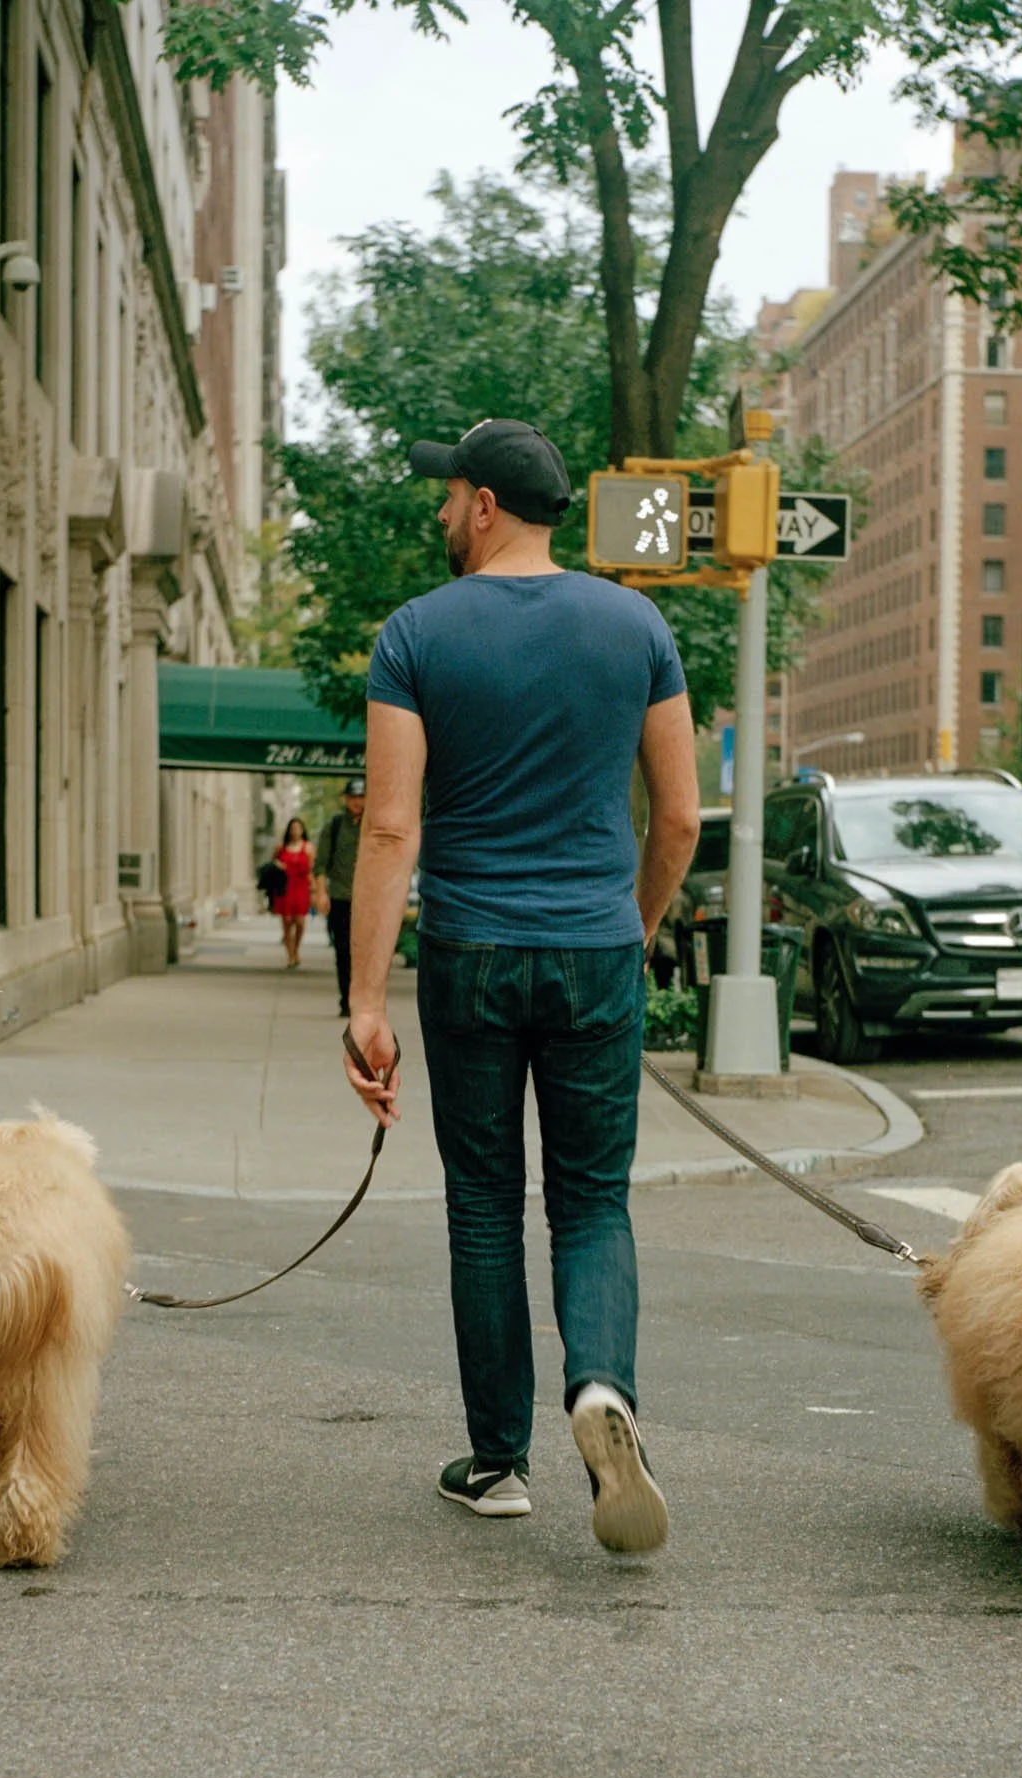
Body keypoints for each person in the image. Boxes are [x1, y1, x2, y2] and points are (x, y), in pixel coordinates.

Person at [339, 418, 700, 1554]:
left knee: (486, 1205)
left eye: (449, 497)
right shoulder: (636, 624)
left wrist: (363, 1002)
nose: (441, 515)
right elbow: (680, 816)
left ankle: (496, 1461)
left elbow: (392, 826)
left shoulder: (414, 635)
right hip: (594, 949)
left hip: (472, 952)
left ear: (485, 503)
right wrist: (630, 927)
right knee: (592, 1199)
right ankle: (602, 1390)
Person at [314, 778, 366, 1017]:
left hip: (369, 900)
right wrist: (321, 893)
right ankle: (346, 1000)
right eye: (354, 797)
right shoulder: (335, 826)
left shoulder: (375, 825)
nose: (358, 802)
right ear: (346, 799)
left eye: (362, 797)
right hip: (341, 898)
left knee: (367, 954)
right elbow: (320, 864)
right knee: (343, 951)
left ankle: (365, 1001)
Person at [274, 817, 313, 968]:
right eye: (293, 828)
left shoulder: (308, 847)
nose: (295, 831)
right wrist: (279, 864)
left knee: (300, 922)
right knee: (287, 921)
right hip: (285, 887)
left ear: (302, 830)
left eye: (298, 828)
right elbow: (273, 863)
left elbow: (312, 869)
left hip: (301, 886)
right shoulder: (281, 847)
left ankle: (296, 949)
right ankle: (290, 955)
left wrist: (315, 889)